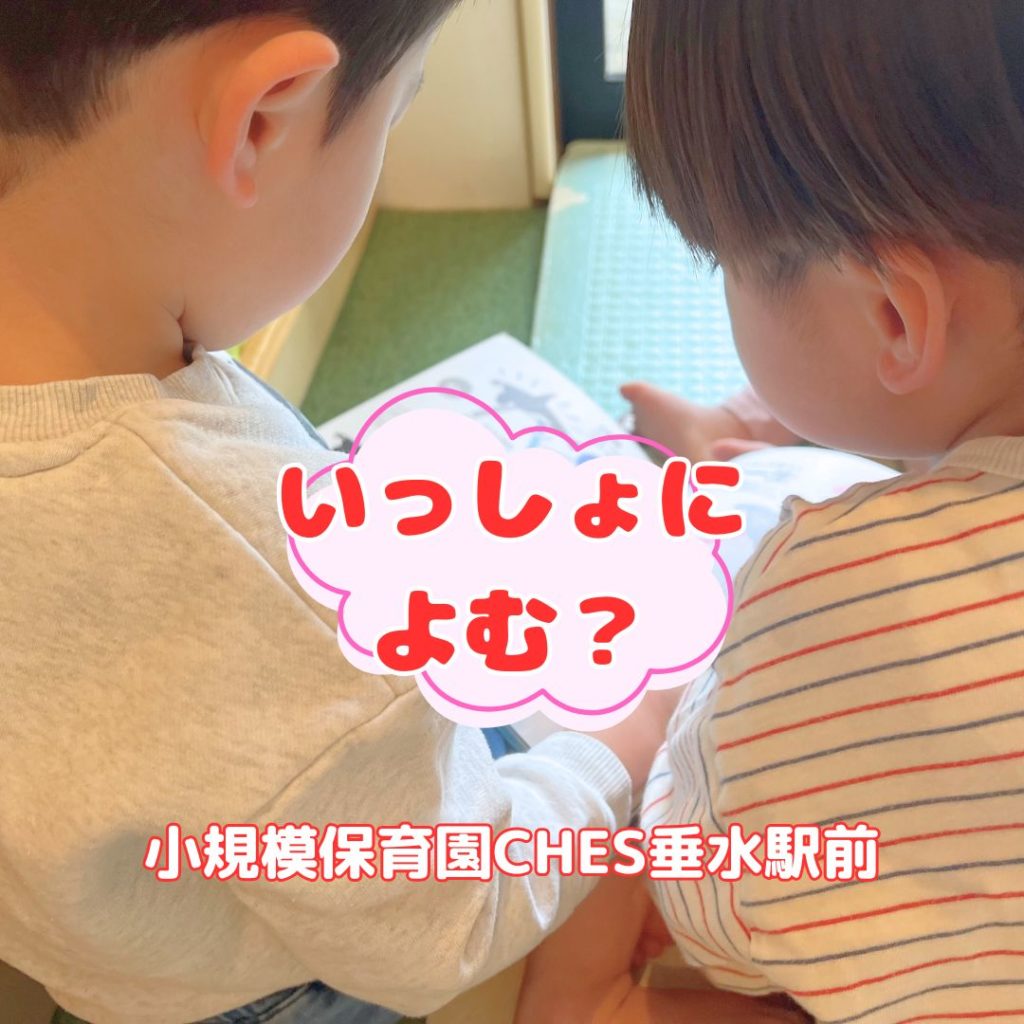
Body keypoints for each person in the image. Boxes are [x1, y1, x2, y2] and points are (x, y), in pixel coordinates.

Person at [0, 4, 676, 1022]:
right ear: (262, 122)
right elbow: (450, 913)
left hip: (106, 938)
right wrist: (617, 752)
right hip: (281, 983)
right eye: (395, 115)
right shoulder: (247, 567)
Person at [516, 1, 1024, 1021]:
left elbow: (719, 903)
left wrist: (652, 714)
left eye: (726, 265)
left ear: (894, 314)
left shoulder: (843, 597)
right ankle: (738, 435)